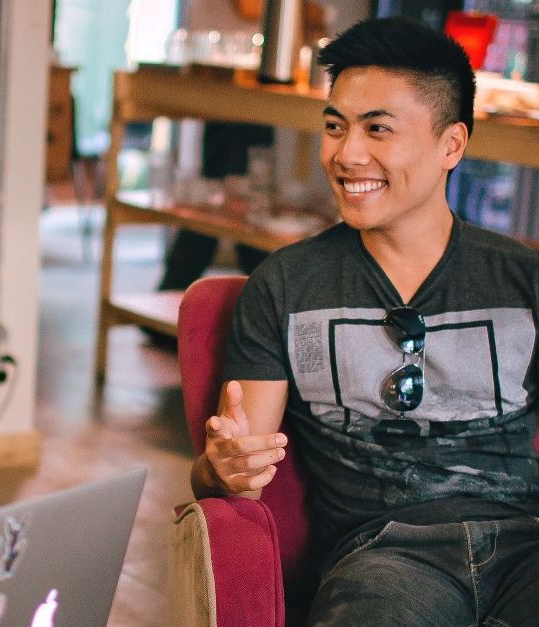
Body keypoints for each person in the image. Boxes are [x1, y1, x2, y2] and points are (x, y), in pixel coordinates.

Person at [191, 17, 539, 625]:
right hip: (385, 559)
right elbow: (234, 470)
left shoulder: (523, 279)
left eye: (378, 129)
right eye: (335, 127)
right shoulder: (286, 286)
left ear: (451, 146)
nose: (347, 155)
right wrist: (219, 470)